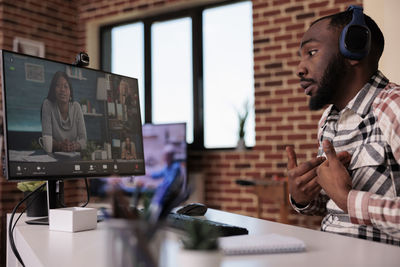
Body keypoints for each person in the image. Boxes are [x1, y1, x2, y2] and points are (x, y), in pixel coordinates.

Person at [286, 6, 400, 245]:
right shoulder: (328, 119)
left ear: (353, 50)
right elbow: (336, 206)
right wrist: (303, 197)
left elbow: (344, 200)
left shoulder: (393, 107)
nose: (299, 68)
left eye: (312, 52)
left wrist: (348, 198)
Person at [41, 71, 87, 152]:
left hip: (73, 156)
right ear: (53, 90)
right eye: (58, 86)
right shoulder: (47, 104)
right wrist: (60, 145)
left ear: (70, 92)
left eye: (66, 86)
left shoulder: (76, 107)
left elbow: (84, 140)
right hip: (54, 156)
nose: (62, 89)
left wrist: (74, 146)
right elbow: (47, 138)